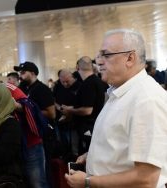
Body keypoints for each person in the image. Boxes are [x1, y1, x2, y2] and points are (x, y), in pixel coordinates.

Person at [65, 29, 167, 188]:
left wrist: (87, 182)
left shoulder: (146, 100)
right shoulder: (122, 93)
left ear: (130, 58)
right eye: (99, 56)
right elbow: (120, 142)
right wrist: (95, 155)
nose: (98, 62)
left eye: (106, 55)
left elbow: (146, 178)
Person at [60, 56, 105, 155]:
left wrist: (69, 110)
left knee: (86, 155)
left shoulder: (88, 84)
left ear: (77, 67)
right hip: (96, 126)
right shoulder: (97, 81)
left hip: (88, 128)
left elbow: (87, 110)